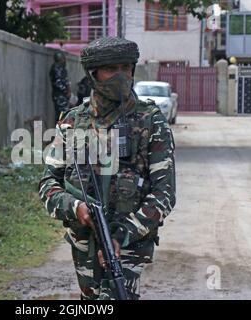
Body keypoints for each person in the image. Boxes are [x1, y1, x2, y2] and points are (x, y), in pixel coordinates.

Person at [39, 37, 176, 300]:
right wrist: (75, 207)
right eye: (111, 69)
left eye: (126, 68)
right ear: (94, 75)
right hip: (84, 240)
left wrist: (123, 234)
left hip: (130, 242)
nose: (121, 76)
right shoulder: (71, 122)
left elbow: (165, 194)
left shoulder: (151, 121)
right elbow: (48, 184)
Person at [50, 51, 71, 122]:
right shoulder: (56, 68)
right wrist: (66, 91)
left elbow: (65, 81)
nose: (64, 60)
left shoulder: (61, 68)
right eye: (63, 59)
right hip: (59, 95)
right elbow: (58, 82)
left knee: (63, 115)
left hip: (62, 95)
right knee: (62, 115)